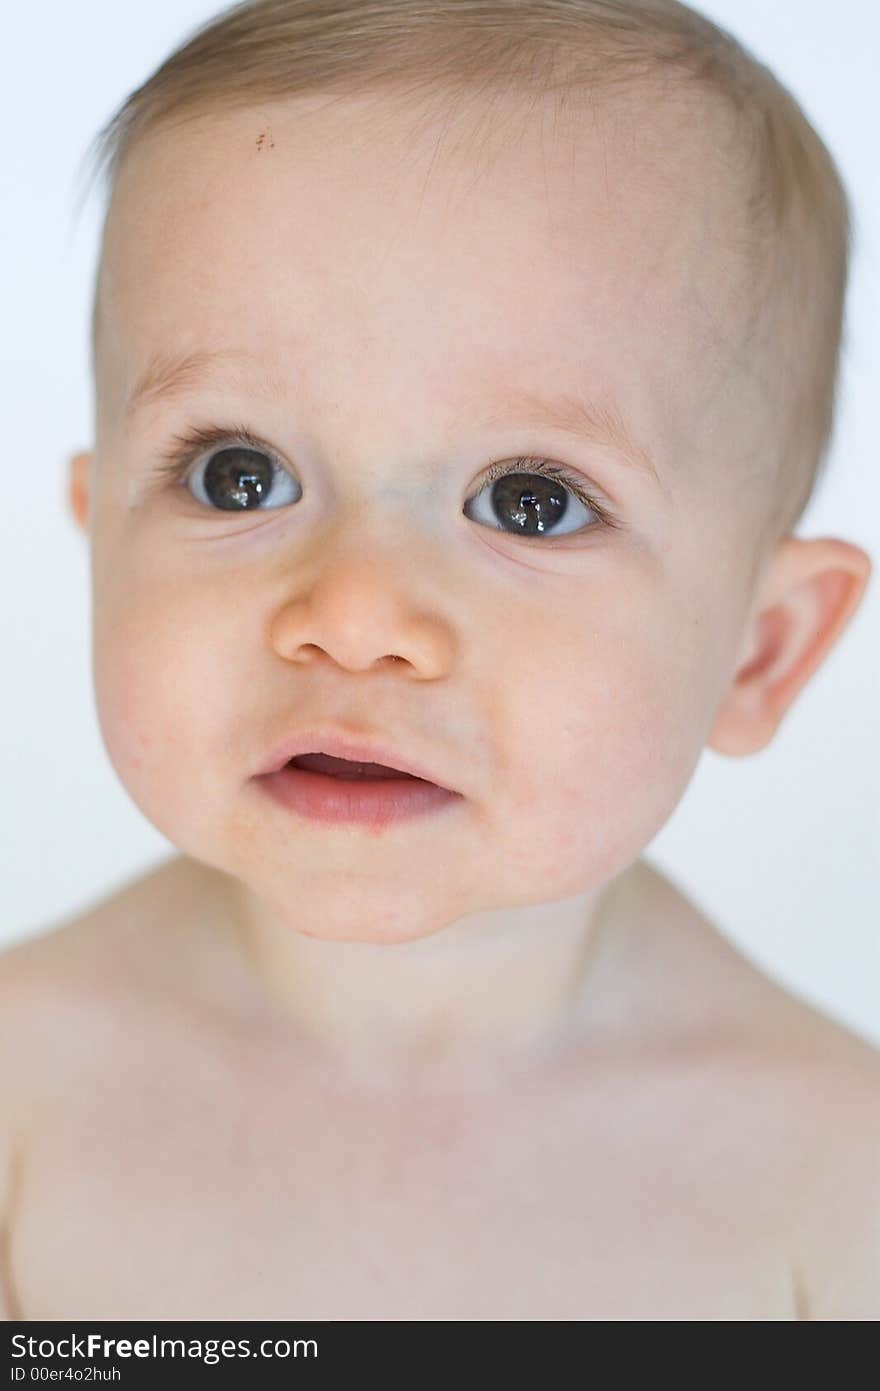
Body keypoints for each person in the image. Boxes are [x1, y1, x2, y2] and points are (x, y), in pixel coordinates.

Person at [1, 0, 877, 1320]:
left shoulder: (831, 1176)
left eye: (532, 500)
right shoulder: (25, 1093)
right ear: (99, 548)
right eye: (241, 476)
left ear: (761, 650)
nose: (353, 616)